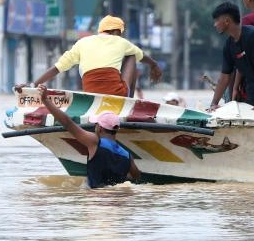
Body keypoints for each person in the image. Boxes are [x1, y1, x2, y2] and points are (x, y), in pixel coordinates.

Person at [22, 15, 162, 96]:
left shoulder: (82, 42)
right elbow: (142, 56)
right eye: (120, 32)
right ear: (116, 31)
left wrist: (33, 85)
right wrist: (154, 65)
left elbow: (56, 68)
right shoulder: (121, 42)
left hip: (91, 92)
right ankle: (128, 103)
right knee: (132, 56)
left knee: (128, 55)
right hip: (117, 93)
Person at [39, 86, 140, 188]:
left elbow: (67, 123)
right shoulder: (127, 156)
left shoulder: (95, 142)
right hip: (115, 199)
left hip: (94, 198)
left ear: (99, 128)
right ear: (116, 130)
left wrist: (45, 100)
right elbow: (135, 176)